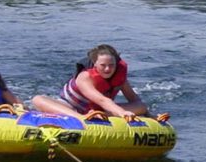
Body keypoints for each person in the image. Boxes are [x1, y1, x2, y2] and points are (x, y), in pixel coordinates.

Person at [32, 44, 166, 122]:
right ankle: (81, 118)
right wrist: (122, 113)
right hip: (70, 107)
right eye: (103, 65)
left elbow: (134, 99)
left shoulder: (119, 77)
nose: (108, 69)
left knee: (141, 106)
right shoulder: (84, 77)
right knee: (38, 99)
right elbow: (102, 100)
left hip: (101, 111)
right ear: (95, 64)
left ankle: (99, 116)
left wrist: (149, 116)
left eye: (111, 65)